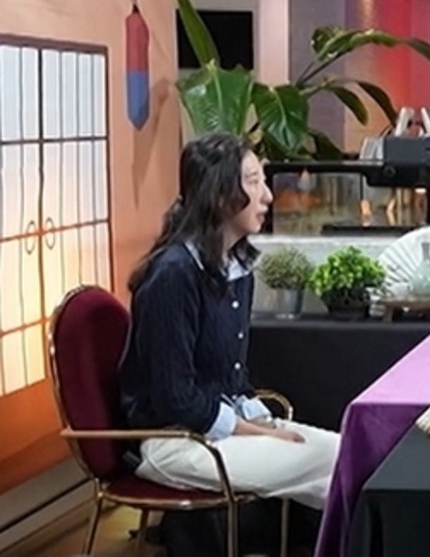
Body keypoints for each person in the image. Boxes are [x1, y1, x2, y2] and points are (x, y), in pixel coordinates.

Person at [119, 133, 340, 512]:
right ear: (219, 194)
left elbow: (232, 378)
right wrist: (257, 432)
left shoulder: (237, 267)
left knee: (347, 453)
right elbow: (175, 398)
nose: (267, 196)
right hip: (174, 441)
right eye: (253, 182)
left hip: (220, 430)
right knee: (335, 462)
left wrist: (262, 422)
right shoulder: (173, 275)